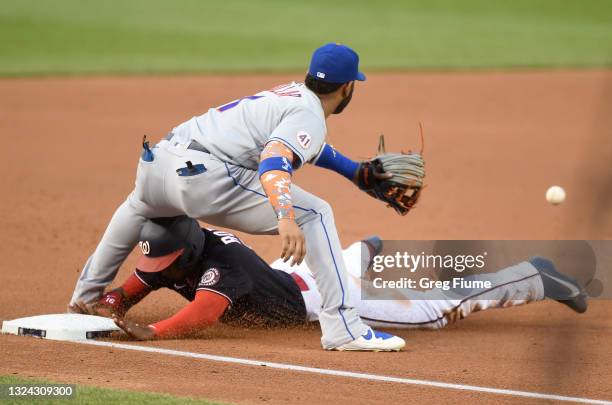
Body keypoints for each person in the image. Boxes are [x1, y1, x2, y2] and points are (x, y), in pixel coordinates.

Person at [69, 43, 408, 351]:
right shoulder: (309, 115)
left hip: (158, 162)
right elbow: (274, 160)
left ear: (309, 75)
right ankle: (343, 329)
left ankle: (84, 300)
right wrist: (286, 216)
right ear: (348, 87)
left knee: (136, 207)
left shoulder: (290, 96)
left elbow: (301, 145)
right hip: (203, 177)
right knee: (316, 213)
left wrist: (355, 172)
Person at [75, 216, 587, 345]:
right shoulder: (174, 248)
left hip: (321, 300)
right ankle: (361, 252)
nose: (160, 271)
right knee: (310, 267)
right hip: (286, 276)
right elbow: (137, 283)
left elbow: (202, 315)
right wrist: (113, 301)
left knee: (432, 315)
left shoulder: (219, 266)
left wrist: (154, 333)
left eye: (168, 265)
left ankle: (533, 276)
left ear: (185, 252)